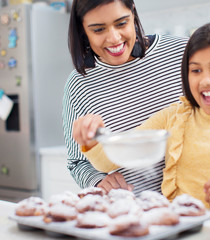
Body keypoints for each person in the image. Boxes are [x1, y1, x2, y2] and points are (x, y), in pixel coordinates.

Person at [72, 22, 210, 211]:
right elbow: (111, 160)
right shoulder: (175, 117)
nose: (205, 80)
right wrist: (90, 139)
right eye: (196, 70)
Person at [62, 0, 188, 195]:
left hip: (193, 207)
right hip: (130, 212)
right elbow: (76, 163)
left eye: (121, 23)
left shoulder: (182, 54)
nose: (114, 38)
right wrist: (98, 181)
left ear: (133, 13)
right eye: (98, 30)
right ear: (82, 29)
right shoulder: (79, 84)